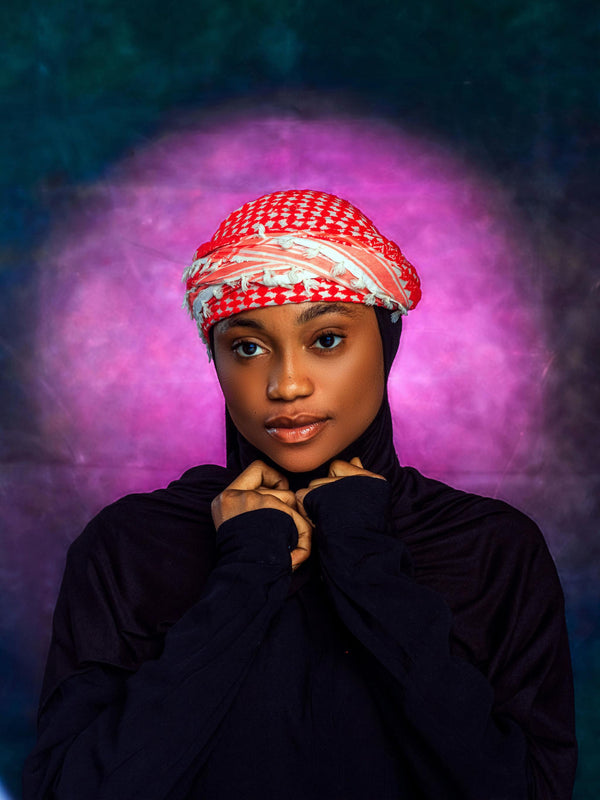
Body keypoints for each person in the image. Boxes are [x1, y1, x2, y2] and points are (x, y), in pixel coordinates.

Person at [23, 190, 577, 799]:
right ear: (215, 359)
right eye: (248, 347)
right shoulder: (130, 547)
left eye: (328, 340)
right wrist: (242, 577)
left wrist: (365, 559)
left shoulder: (487, 548)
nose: (286, 385)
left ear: (387, 345)